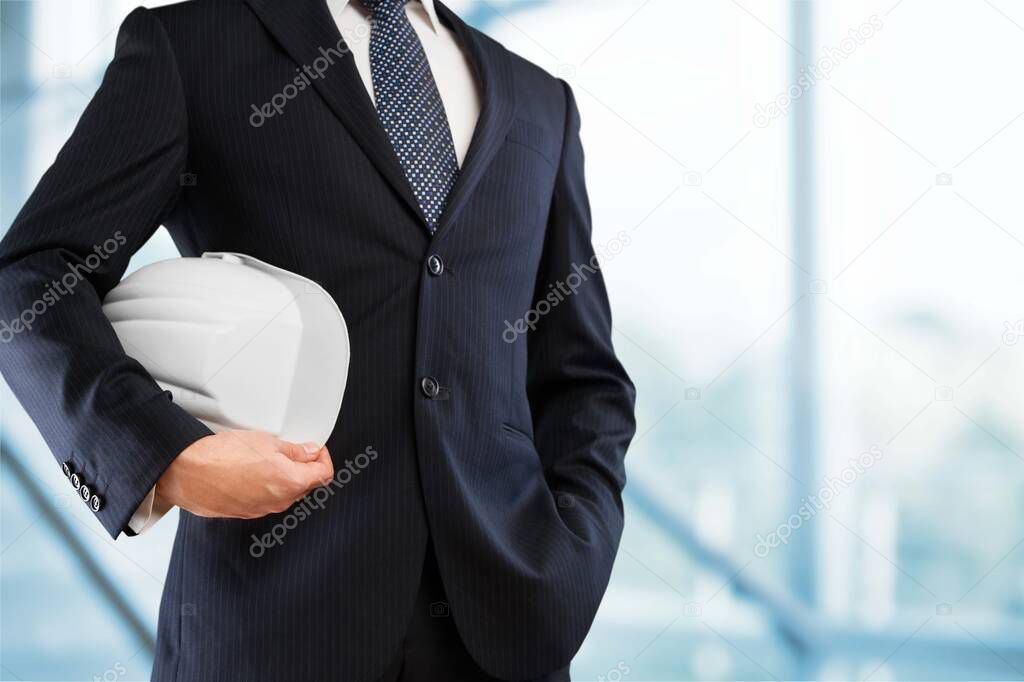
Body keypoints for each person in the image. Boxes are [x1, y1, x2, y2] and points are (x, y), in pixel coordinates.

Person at [0, 0, 636, 680]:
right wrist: (167, 457)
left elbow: (583, 379)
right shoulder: (194, 45)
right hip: (270, 627)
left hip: (504, 638)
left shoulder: (541, 102)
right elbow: (31, 276)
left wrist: (575, 553)